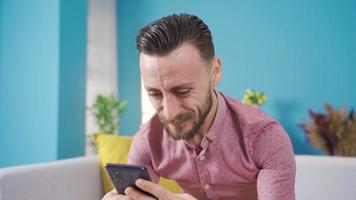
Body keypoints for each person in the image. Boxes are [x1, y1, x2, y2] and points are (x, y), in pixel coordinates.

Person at [102, 13, 296, 200]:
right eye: (155, 94)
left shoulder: (265, 137)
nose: (170, 113)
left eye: (182, 91)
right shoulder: (148, 140)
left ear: (215, 72)